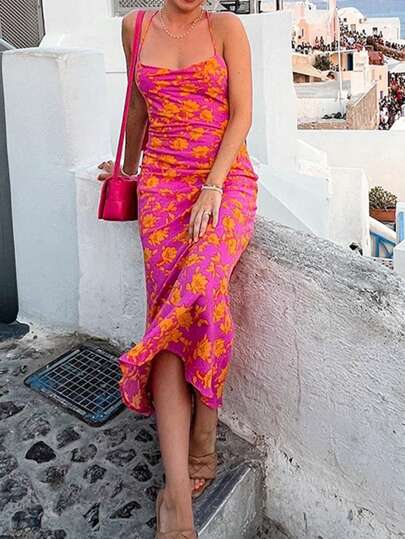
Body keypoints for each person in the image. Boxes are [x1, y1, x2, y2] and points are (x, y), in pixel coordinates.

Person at [97, 2, 258, 538]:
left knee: (203, 292)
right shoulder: (135, 27)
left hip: (224, 184)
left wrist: (212, 185)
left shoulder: (226, 27)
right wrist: (125, 171)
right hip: (162, 190)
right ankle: (176, 495)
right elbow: (137, 110)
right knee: (168, 330)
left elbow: (242, 115)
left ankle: (203, 436)